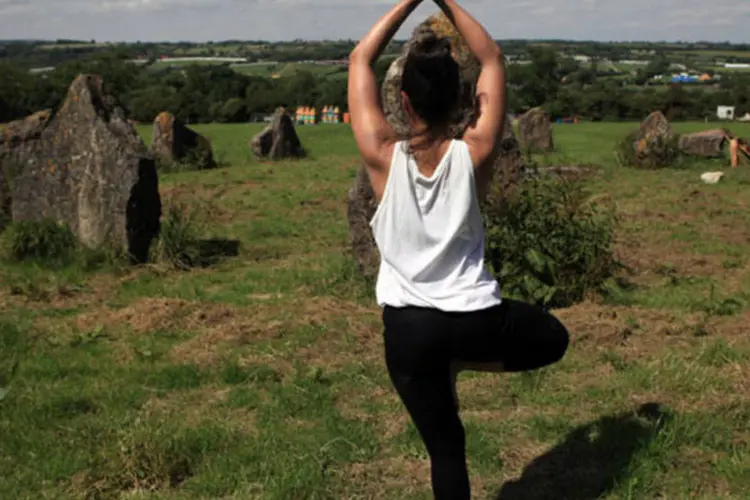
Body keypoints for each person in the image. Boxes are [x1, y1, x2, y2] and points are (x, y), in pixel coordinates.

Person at [347, 1, 570, 498]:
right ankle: (461, 359)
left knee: (447, 450)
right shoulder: (477, 153)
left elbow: (360, 59)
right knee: (554, 338)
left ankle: (448, 364)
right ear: (463, 100)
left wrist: (409, 1)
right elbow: (492, 58)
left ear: (402, 103)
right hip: (474, 320)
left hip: (407, 329)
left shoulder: (381, 157)